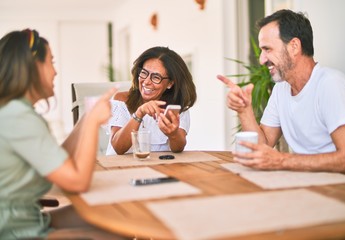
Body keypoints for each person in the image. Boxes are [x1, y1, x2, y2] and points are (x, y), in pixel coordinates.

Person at [0, 29, 125, 239]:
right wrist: (94, 122)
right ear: (33, 67)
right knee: (116, 233)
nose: (55, 72)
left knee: (115, 216)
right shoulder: (19, 118)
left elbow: (59, 159)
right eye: (51, 62)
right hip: (14, 231)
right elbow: (77, 182)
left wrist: (86, 118)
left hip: (28, 218)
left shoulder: (15, 111)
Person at [218, 9, 345, 174]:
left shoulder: (331, 84)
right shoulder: (281, 90)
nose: (261, 59)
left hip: (343, 188)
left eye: (268, 49)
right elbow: (263, 146)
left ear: (294, 46)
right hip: (305, 184)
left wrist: (281, 160)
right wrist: (244, 110)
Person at [106, 46, 197, 155]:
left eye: (156, 77)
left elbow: (178, 148)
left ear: (170, 83)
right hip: (120, 169)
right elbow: (118, 147)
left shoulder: (175, 107)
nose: (146, 82)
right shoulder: (121, 100)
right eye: (144, 73)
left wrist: (173, 134)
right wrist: (139, 113)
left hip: (159, 169)